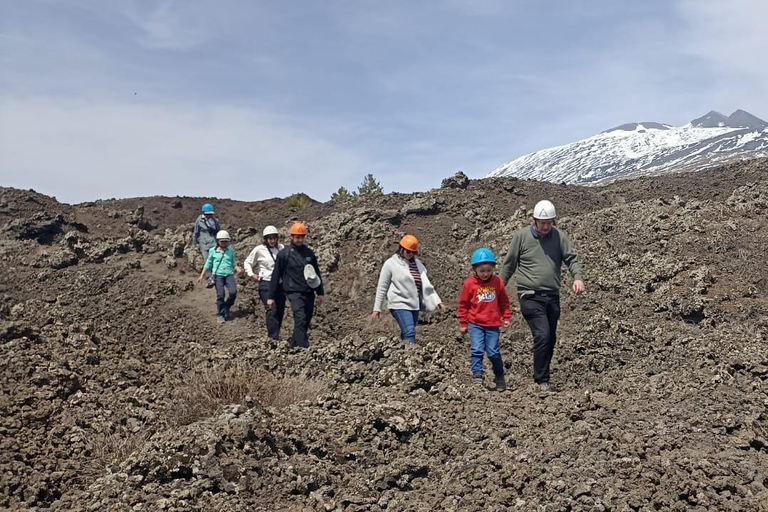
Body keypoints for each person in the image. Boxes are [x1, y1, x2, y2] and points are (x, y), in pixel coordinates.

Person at [498, 200, 585, 392]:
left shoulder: (559, 236)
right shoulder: (521, 237)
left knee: (551, 338)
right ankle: (541, 381)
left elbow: (571, 259)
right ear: (534, 220)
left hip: (552, 296)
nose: (545, 227)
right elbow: (509, 264)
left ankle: (542, 377)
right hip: (529, 295)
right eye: (542, 223)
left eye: (549, 223)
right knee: (543, 335)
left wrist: (577, 278)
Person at [370, 235, 446, 343]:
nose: (410, 255)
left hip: (414, 305)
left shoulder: (417, 264)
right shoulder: (390, 264)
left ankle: (401, 355)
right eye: (408, 251)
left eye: (413, 252)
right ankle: (412, 355)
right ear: (401, 249)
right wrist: (377, 309)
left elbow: (426, 283)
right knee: (409, 332)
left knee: (406, 332)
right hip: (399, 304)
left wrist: (437, 301)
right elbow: (382, 287)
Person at [458, 248, 511, 392]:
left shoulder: (497, 282)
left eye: (489, 270)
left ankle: (499, 376)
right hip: (475, 323)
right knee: (477, 350)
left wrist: (506, 317)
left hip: (493, 324)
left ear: (493, 268)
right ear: (475, 269)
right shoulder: (469, 284)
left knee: (493, 351)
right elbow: (463, 304)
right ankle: (477, 376)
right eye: (482, 271)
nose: (486, 274)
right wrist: (463, 322)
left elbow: (504, 302)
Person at [267, 222, 324, 348]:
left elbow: (316, 273)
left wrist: (320, 293)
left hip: (309, 291)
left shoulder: (309, 253)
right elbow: (276, 276)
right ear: (291, 237)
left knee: (306, 320)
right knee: (300, 318)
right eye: (297, 237)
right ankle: (304, 347)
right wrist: (271, 297)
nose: (299, 240)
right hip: (293, 292)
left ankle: (292, 344)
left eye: (302, 237)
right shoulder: (284, 254)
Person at [244, 225, 285, 340]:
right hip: (266, 283)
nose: (272, 240)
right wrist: (251, 274)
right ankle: (272, 338)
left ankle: (276, 335)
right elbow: (247, 262)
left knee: (280, 310)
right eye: (269, 238)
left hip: (280, 284)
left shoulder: (281, 248)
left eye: (274, 238)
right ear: (265, 239)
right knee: (271, 309)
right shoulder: (259, 249)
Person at [197, 230, 242, 324]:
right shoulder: (212, 251)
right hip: (218, 276)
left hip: (229, 274)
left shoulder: (230, 250)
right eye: (222, 241)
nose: (224, 243)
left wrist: (237, 268)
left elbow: (233, 262)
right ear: (218, 241)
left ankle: (226, 306)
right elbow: (208, 263)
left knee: (233, 292)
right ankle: (220, 314)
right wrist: (202, 275)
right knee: (220, 295)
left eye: (226, 241)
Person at [192, 203, 220, 288]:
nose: (210, 215)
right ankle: (209, 278)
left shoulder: (214, 221)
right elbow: (195, 231)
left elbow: (218, 231)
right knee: (207, 261)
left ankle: (216, 277)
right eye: (208, 214)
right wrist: (194, 242)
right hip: (204, 244)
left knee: (215, 260)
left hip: (213, 243)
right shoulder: (199, 220)